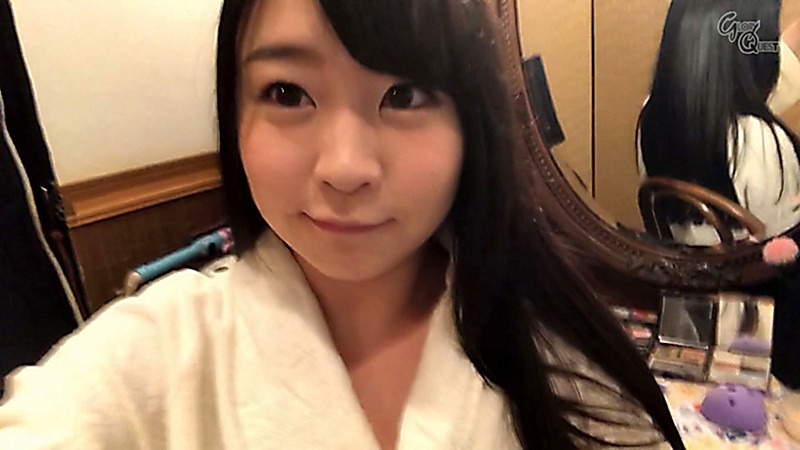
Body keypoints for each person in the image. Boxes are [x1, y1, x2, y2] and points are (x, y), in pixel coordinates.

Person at [0, 0, 685, 448]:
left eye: (404, 94)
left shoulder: (567, 366)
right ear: (235, 115)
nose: (345, 167)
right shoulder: (151, 354)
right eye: (287, 93)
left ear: (469, 124)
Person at [637, 0, 800, 246]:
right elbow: (786, 239)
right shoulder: (762, 142)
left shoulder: (652, 114)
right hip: (753, 266)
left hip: (687, 260)